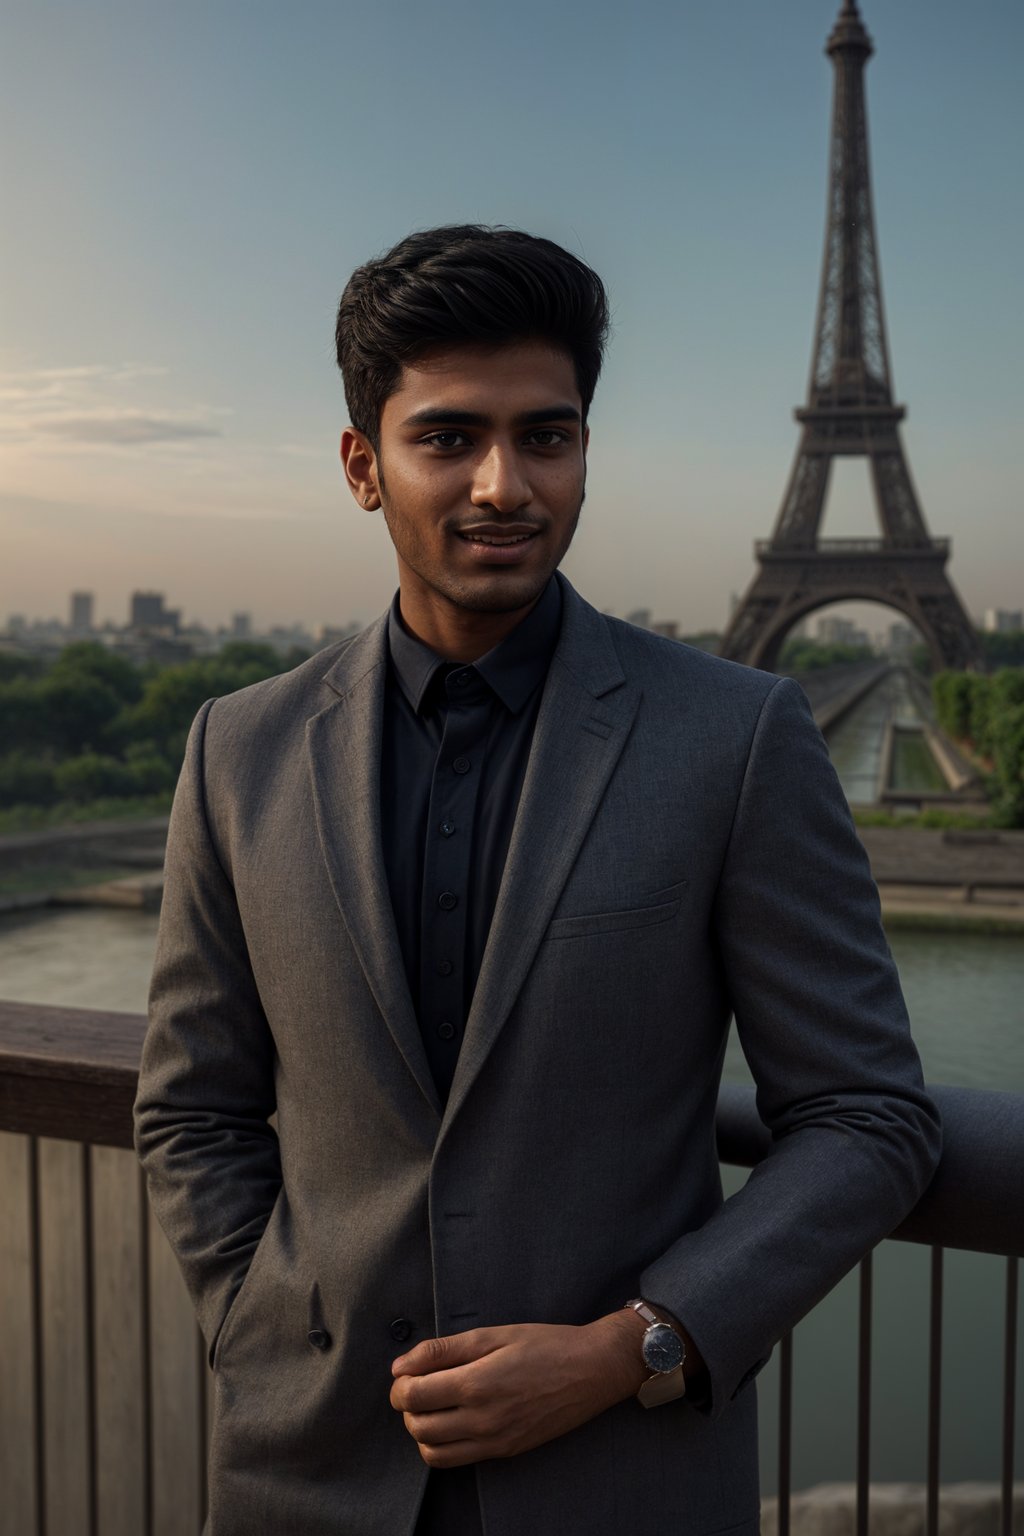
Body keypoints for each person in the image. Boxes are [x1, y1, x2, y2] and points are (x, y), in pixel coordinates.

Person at [134, 224, 941, 1536]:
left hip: (615, 1474)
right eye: (448, 437)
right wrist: (262, 1328)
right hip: (309, 1472)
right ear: (362, 465)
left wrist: (636, 1347)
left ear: (582, 449)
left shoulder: (734, 738)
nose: (506, 484)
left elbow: (866, 1116)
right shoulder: (239, 748)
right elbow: (193, 1110)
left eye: (547, 436)